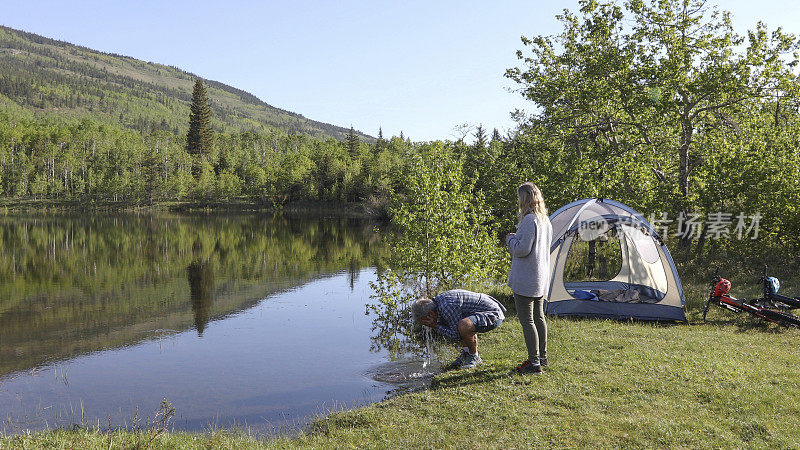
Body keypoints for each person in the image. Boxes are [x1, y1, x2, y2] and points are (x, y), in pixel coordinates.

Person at [506, 182, 553, 374]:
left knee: (528, 321)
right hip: (540, 277)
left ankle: (534, 363)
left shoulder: (529, 220)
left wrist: (510, 239)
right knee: (539, 317)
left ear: (524, 199)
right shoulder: (545, 220)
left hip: (526, 279)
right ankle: (542, 356)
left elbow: (522, 249)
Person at [411, 289, 506, 370]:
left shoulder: (446, 307)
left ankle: (474, 356)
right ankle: (466, 353)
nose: (425, 325)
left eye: (424, 321)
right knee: (460, 324)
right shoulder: (439, 303)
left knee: (464, 325)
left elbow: (455, 334)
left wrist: (435, 326)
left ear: (431, 313)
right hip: (485, 311)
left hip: (493, 315)